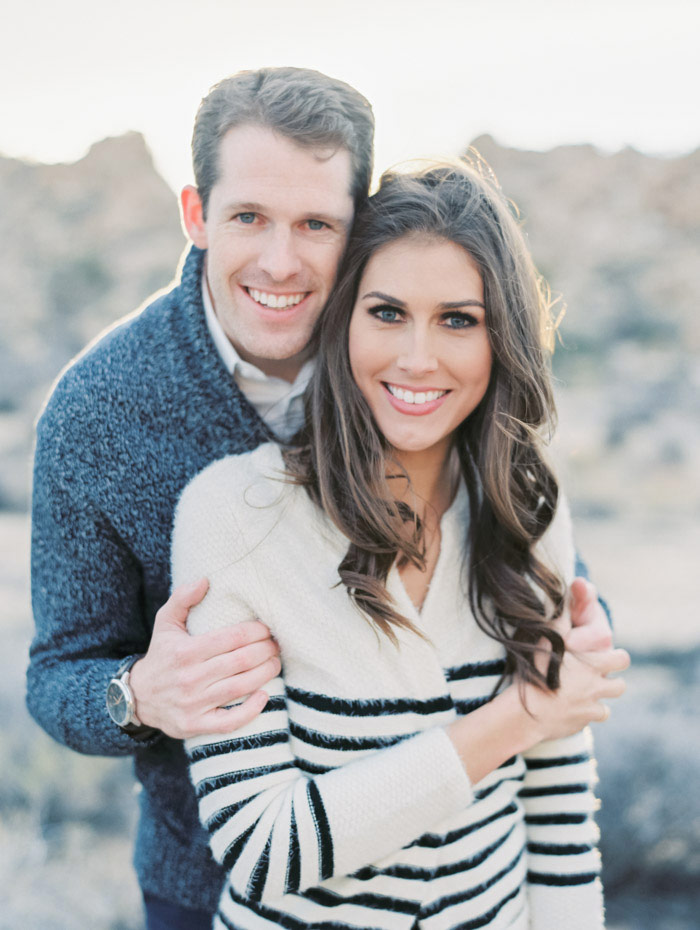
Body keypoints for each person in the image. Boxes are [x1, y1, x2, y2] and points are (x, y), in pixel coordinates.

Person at [27, 68, 613, 928]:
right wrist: (137, 695)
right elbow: (56, 674)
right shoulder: (102, 413)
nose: (280, 260)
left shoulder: (412, 360)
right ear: (196, 215)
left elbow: (522, 565)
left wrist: (575, 634)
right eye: (247, 218)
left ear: (359, 225)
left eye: (316, 224)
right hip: (221, 874)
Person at [172, 162, 629, 930]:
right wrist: (517, 718)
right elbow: (263, 848)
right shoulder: (233, 517)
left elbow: (557, 806)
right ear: (343, 318)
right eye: (387, 313)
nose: (419, 357)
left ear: (501, 336)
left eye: (459, 319)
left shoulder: (527, 501)